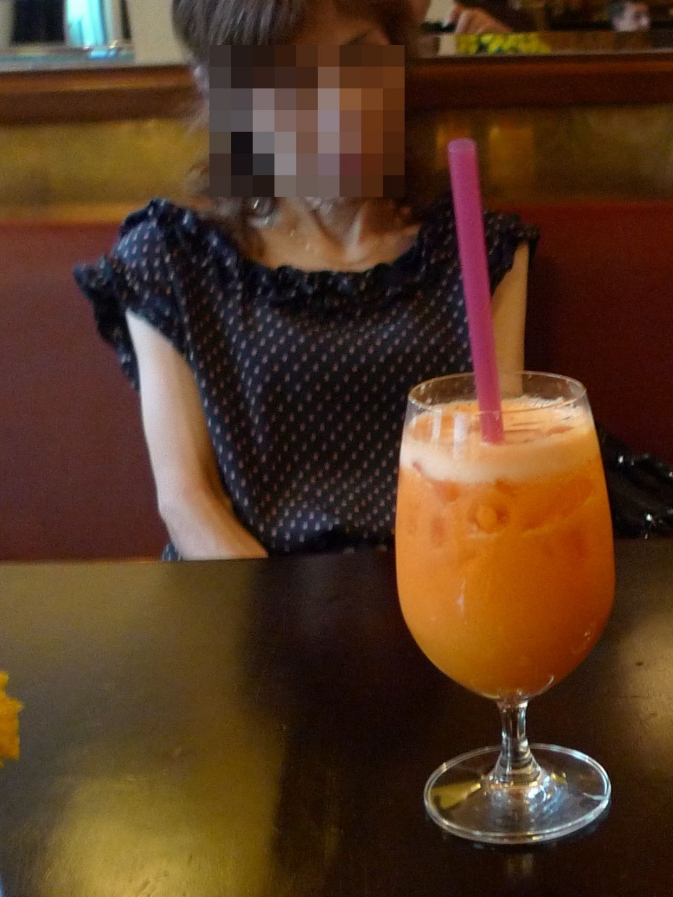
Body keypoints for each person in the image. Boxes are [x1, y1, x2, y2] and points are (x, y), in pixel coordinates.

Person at [74, 0, 536, 561]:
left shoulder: (479, 252)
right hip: (243, 598)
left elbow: (498, 471)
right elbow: (188, 502)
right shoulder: (173, 260)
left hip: (441, 586)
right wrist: (280, 615)